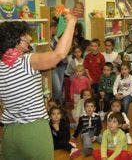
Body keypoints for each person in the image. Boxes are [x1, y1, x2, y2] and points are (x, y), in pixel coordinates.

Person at [0, 13, 76, 160]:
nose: (30, 38)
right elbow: (59, 54)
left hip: (9, 132)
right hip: (34, 131)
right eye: (26, 35)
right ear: (17, 41)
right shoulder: (26, 61)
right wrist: (72, 22)